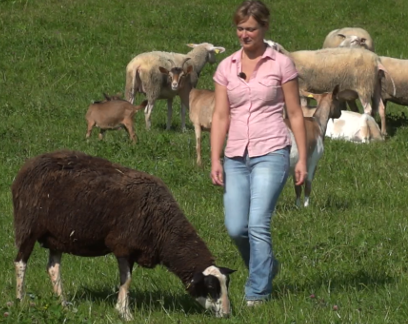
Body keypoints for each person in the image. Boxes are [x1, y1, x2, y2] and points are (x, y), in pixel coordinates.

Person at [210, 0, 307, 306]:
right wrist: (215, 158)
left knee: (257, 225)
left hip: (272, 151)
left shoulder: (281, 64)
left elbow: (294, 112)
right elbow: (220, 116)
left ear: (264, 27)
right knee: (236, 227)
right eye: (240, 28)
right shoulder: (227, 66)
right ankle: (267, 267)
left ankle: (257, 293)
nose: (244, 34)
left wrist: (302, 157)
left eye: (250, 28)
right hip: (236, 155)